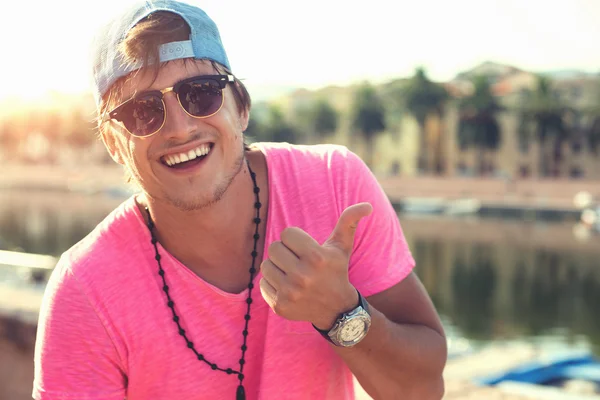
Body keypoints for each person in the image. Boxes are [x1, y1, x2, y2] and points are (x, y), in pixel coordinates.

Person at [33, 1, 447, 399]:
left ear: (241, 106)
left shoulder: (334, 184)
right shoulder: (85, 289)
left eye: (200, 93)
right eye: (142, 111)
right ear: (113, 143)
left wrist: (341, 312)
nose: (179, 128)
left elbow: (422, 391)